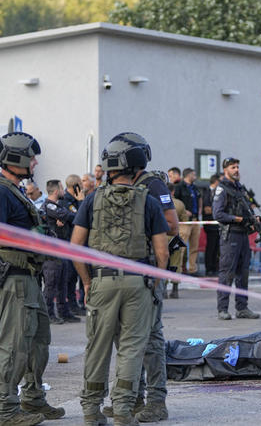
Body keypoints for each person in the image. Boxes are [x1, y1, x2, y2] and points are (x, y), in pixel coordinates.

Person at [71, 137, 169, 426]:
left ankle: (91, 412)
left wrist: (88, 282)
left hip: (102, 281)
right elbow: (162, 253)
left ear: (111, 167)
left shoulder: (91, 199)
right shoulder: (149, 201)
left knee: (97, 347)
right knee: (131, 348)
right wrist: (154, 283)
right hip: (138, 283)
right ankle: (124, 412)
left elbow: (75, 246)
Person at [0, 131, 64, 426]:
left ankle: (32, 398)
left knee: (38, 340)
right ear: (16, 159)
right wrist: (30, 239)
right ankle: (7, 410)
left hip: (27, 275)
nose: (36, 162)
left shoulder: (16, 190)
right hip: (13, 276)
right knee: (14, 343)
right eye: (31, 157)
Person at [101, 132, 178, 423]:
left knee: (151, 339)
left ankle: (156, 402)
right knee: (125, 340)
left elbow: (172, 225)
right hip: (118, 275)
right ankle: (132, 397)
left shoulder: (152, 184)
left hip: (146, 271)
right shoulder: (113, 186)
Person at [212, 157, 260, 320]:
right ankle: (222, 309)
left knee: (243, 273)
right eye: (233, 167)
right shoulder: (222, 189)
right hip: (230, 234)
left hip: (243, 235)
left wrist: (253, 219)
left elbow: (247, 209)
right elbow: (218, 214)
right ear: (226, 170)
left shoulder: (240, 189)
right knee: (227, 273)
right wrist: (238, 219)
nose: (236, 170)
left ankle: (242, 308)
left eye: (238, 167)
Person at [40, 179, 80, 324]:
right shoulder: (49, 206)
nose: (64, 191)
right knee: (51, 284)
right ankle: (48, 313)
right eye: (62, 188)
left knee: (63, 282)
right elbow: (72, 217)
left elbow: (68, 217)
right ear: (56, 190)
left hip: (62, 250)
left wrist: (65, 218)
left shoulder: (58, 206)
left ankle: (64, 312)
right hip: (51, 252)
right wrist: (65, 217)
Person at [58, 174, 86, 314]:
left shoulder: (75, 201)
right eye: (81, 185)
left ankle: (74, 304)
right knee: (69, 277)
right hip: (68, 245)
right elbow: (79, 219)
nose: (83, 188)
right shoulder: (66, 202)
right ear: (75, 186)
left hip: (77, 246)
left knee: (74, 276)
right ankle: (70, 305)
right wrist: (81, 202)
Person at [174, 168, 202, 274]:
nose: (195, 176)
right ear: (188, 175)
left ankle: (192, 269)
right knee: (181, 247)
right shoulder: (179, 187)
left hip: (195, 220)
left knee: (194, 247)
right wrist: (184, 211)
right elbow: (175, 201)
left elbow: (199, 198)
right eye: (193, 174)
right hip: (185, 221)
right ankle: (179, 269)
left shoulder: (195, 188)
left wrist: (199, 209)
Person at [166, 182, 188, 298]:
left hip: (162, 237)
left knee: (163, 262)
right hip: (175, 237)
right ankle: (175, 289)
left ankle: (163, 289)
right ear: (173, 191)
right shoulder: (179, 204)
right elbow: (185, 220)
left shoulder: (158, 202)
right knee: (175, 263)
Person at [202, 174, 220, 277]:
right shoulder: (207, 192)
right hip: (210, 224)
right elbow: (207, 209)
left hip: (218, 225)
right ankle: (209, 268)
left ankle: (215, 267)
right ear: (216, 182)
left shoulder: (218, 193)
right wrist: (218, 212)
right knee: (211, 247)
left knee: (217, 248)